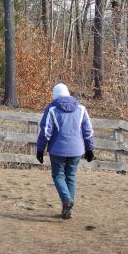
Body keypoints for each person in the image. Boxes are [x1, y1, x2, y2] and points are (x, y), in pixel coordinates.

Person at [36, 83, 94, 219]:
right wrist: (89, 148)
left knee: (58, 176)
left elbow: (46, 132)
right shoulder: (81, 108)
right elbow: (88, 131)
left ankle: (67, 199)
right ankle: (68, 210)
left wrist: (40, 149)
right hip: (77, 150)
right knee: (70, 178)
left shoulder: (51, 109)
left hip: (58, 150)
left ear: (54, 96)